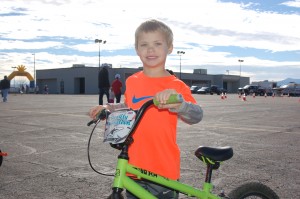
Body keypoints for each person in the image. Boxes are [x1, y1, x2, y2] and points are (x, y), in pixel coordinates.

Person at [89, 19, 203, 198]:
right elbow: (130, 107)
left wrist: (180, 105)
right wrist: (108, 108)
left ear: (170, 48)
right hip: (133, 164)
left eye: (158, 44)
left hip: (162, 167)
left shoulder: (176, 86)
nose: (151, 50)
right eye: (144, 44)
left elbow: (197, 115)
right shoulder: (132, 81)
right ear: (137, 49)